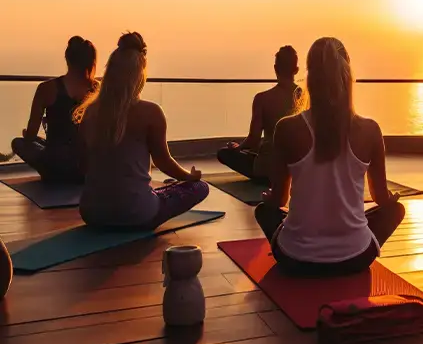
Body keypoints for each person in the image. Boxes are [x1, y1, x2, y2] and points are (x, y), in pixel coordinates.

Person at [254, 37, 405, 276]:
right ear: (348, 77)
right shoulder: (370, 130)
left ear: (309, 77)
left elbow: (279, 201)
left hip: (296, 260)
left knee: (263, 211)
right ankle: (348, 243)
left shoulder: (286, 128)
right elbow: (381, 198)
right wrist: (390, 198)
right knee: (396, 211)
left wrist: (269, 198)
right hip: (356, 258)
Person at [75, 32, 209, 230]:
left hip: (92, 212)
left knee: (157, 191)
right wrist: (189, 177)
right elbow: (163, 162)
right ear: (140, 75)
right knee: (200, 187)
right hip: (136, 213)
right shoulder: (150, 112)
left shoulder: (90, 112)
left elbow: (84, 162)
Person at [11, 36, 98, 183]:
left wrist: (28, 135)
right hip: (88, 167)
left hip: (55, 166)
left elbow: (31, 135)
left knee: (18, 142)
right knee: (45, 143)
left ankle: (53, 172)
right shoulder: (97, 89)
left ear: (67, 59)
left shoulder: (46, 88)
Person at [217, 46, 302, 183]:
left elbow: (253, 139)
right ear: (296, 70)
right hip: (296, 168)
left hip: (267, 168)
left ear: (275, 68)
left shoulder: (262, 99)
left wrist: (238, 148)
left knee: (223, 153)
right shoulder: (306, 98)